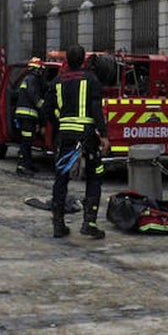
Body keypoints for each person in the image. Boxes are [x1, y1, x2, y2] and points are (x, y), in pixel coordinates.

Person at [42, 44, 110, 239]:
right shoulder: (91, 79)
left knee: (61, 177)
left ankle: (58, 224)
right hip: (87, 136)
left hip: (65, 136)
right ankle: (89, 223)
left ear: (67, 61)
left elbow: (47, 109)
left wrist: (60, 124)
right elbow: (96, 109)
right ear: (83, 61)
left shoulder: (57, 81)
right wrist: (103, 135)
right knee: (95, 176)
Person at [14, 57, 48, 176]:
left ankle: (28, 164)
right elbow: (34, 97)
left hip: (25, 115)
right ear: (37, 69)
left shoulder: (27, 78)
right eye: (41, 70)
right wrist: (44, 107)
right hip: (27, 116)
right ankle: (22, 167)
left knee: (27, 141)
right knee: (26, 142)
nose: (42, 73)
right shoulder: (33, 79)